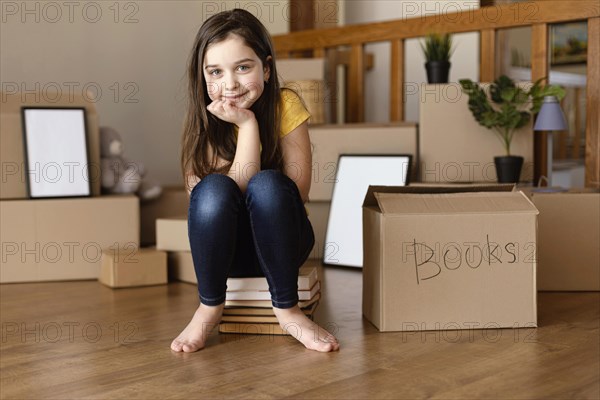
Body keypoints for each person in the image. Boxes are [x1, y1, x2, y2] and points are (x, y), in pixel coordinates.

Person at [171, 9, 340, 353]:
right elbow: (226, 194)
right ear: (203, 78)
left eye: (243, 67)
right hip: (228, 250)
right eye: (216, 72)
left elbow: (299, 191)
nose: (230, 84)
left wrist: (250, 123)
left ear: (266, 67)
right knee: (214, 190)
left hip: (283, 241)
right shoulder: (208, 120)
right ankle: (209, 307)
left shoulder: (284, 104)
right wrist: (244, 126)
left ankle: (287, 309)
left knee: (268, 185)